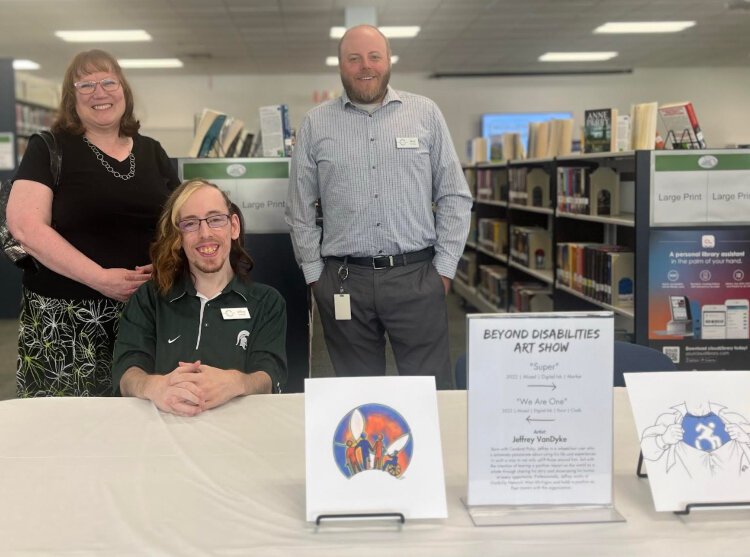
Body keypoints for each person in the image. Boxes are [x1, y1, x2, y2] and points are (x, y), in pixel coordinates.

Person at [285, 25, 472, 389]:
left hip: (417, 276)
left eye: (374, 57)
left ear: (388, 62)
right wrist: (315, 276)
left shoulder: (425, 114)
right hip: (343, 282)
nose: (364, 66)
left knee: (430, 391)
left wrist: (444, 271)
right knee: (358, 394)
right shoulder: (316, 124)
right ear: (340, 65)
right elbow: (299, 209)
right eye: (354, 58)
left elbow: (454, 196)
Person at [7, 49, 179, 397]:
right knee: (68, 432)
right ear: (72, 98)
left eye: (107, 82)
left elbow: (176, 223)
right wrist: (100, 279)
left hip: (144, 314)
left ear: (124, 91)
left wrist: (166, 264)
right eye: (85, 85)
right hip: (66, 322)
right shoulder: (49, 148)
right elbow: (25, 226)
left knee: (143, 423)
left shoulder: (152, 152)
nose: (99, 93)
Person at [112, 179, 287, 416]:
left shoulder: (267, 302)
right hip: (161, 438)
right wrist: (153, 386)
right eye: (190, 224)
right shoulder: (150, 298)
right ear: (178, 236)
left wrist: (237, 382)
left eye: (215, 219)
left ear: (233, 226)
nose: (205, 234)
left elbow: (270, 376)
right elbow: (126, 372)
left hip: (239, 436)